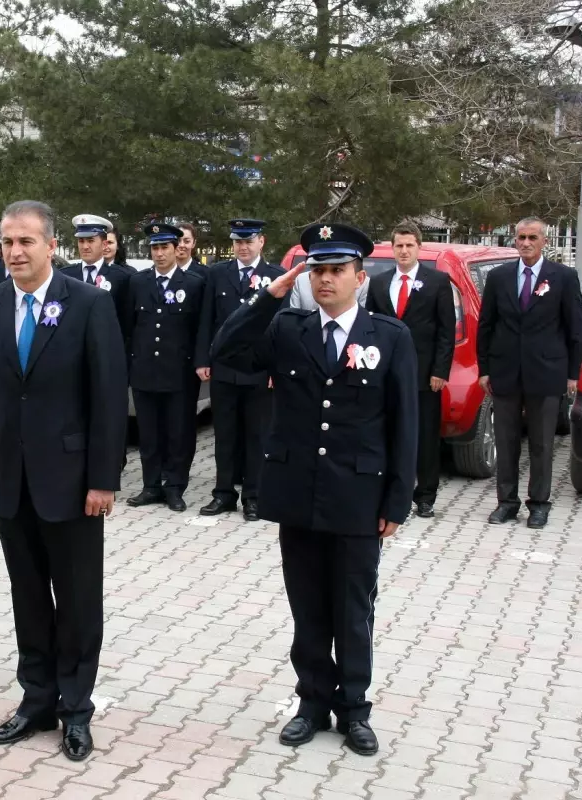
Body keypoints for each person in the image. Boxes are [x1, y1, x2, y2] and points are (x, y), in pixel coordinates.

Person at [211, 222, 417, 757]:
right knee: (307, 609)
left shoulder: (389, 337)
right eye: (317, 270)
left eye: (336, 271)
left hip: (357, 496)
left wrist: (397, 500)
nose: (325, 280)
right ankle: (311, 703)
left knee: (352, 609)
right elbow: (227, 352)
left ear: (359, 276)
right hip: (297, 492)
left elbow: (404, 424)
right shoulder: (287, 328)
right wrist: (269, 294)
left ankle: (354, 709)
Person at [0, 200, 128, 762]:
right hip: (10, 480)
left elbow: (108, 399)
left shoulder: (89, 304)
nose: (15, 252)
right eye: (7, 241)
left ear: (51, 245)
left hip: (73, 480)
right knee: (28, 594)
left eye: (27, 241)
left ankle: (76, 709)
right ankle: (36, 700)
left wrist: (104, 480)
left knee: (78, 599)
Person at [477, 217, 582, 528]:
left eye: (532, 237)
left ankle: (539, 503)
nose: (526, 243)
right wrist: (485, 368)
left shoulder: (563, 277)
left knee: (541, 442)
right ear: (514, 240)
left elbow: (576, 328)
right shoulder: (499, 278)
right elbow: (486, 325)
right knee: (506, 439)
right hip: (505, 370)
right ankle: (506, 502)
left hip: (547, 371)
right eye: (521, 237)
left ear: (544, 241)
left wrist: (572, 374)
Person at [194, 218, 285, 520]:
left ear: (262, 242)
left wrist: (277, 368)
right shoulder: (218, 273)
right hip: (224, 369)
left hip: (260, 370)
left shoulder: (276, 276)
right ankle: (223, 494)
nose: (243, 247)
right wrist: (203, 359)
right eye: (238, 241)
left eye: (249, 241)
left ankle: (254, 497)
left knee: (257, 435)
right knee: (225, 435)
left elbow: (281, 327)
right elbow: (207, 318)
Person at [365, 222, 455, 518]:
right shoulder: (379, 283)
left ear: (419, 247)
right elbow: (371, 328)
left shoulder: (438, 281)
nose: (404, 251)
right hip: (387, 375)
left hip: (424, 375)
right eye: (399, 246)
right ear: (392, 249)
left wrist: (440, 371)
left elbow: (446, 330)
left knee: (425, 437)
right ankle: (387, 491)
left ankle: (426, 495)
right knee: (386, 434)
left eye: (409, 245)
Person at [123, 222, 205, 512]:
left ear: (176, 249)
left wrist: (200, 363)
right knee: (149, 433)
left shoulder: (193, 283)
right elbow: (130, 327)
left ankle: (175, 487)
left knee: (177, 433)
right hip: (145, 370)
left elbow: (200, 329)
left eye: (164, 248)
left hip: (179, 373)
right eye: (154, 248)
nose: (159, 254)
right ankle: (151, 486)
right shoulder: (138, 282)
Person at [63, 214, 130, 323]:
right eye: (81, 241)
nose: (85, 246)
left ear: (104, 244)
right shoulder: (65, 275)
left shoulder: (121, 277)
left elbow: (125, 321)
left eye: (90, 240)